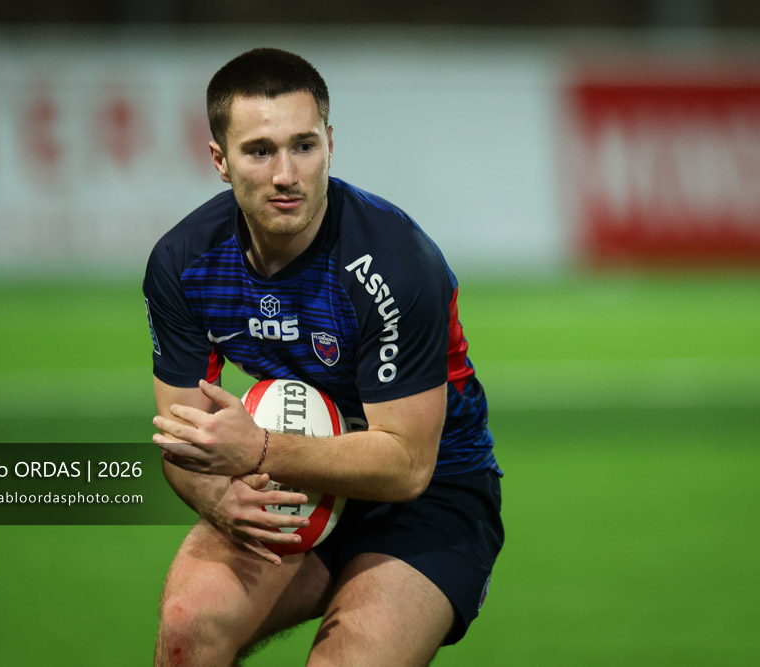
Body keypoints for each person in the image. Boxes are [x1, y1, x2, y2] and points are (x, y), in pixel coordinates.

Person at [143, 47, 503, 666]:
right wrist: (215, 497)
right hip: (290, 483)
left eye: (304, 146)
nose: (287, 173)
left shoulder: (396, 264)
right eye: (259, 151)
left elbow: (406, 464)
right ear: (219, 160)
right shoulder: (184, 264)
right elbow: (183, 437)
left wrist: (256, 450)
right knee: (187, 627)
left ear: (330, 144)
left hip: (430, 498)